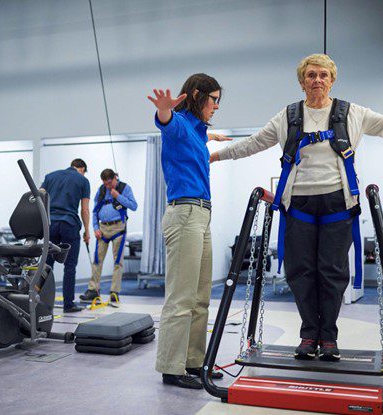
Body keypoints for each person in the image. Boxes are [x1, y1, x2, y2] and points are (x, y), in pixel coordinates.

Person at [211, 53, 383, 362]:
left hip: (338, 200)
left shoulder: (352, 113)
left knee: (333, 271)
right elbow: (253, 143)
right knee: (300, 272)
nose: (318, 80)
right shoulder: (287, 116)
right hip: (297, 203)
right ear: (302, 81)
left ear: (332, 80)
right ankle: (309, 334)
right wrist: (216, 157)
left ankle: (329, 337)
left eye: (324, 75)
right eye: (311, 75)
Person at [148, 73, 231, 390]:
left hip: (202, 215)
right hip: (184, 213)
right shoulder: (180, 123)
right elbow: (165, 121)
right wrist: (164, 110)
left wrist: (214, 138)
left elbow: (199, 137)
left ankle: (194, 361)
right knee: (181, 297)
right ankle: (172, 367)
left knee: (200, 298)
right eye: (214, 100)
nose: (217, 107)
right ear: (197, 95)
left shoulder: (198, 132)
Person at [79, 169, 137, 304]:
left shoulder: (124, 188)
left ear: (115, 178)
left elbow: (134, 206)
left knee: (118, 262)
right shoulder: (102, 190)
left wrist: (118, 196)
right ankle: (93, 290)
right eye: (105, 184)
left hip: (119, 228)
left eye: (110, 183)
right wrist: (95, 228)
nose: (108, 186)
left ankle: (114, 292)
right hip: (103, 229)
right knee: (97, 261)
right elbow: (94, 211)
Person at [41, 158, 91, 313]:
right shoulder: (83, 180)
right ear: (82, 168)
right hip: (69, 224)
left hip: (50, 224)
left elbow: (39, 195)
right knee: (70, 266)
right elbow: (84, 209)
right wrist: (87, 231)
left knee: (46, 265)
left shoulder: (50, 176)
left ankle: (40, 302)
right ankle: (68, 304)